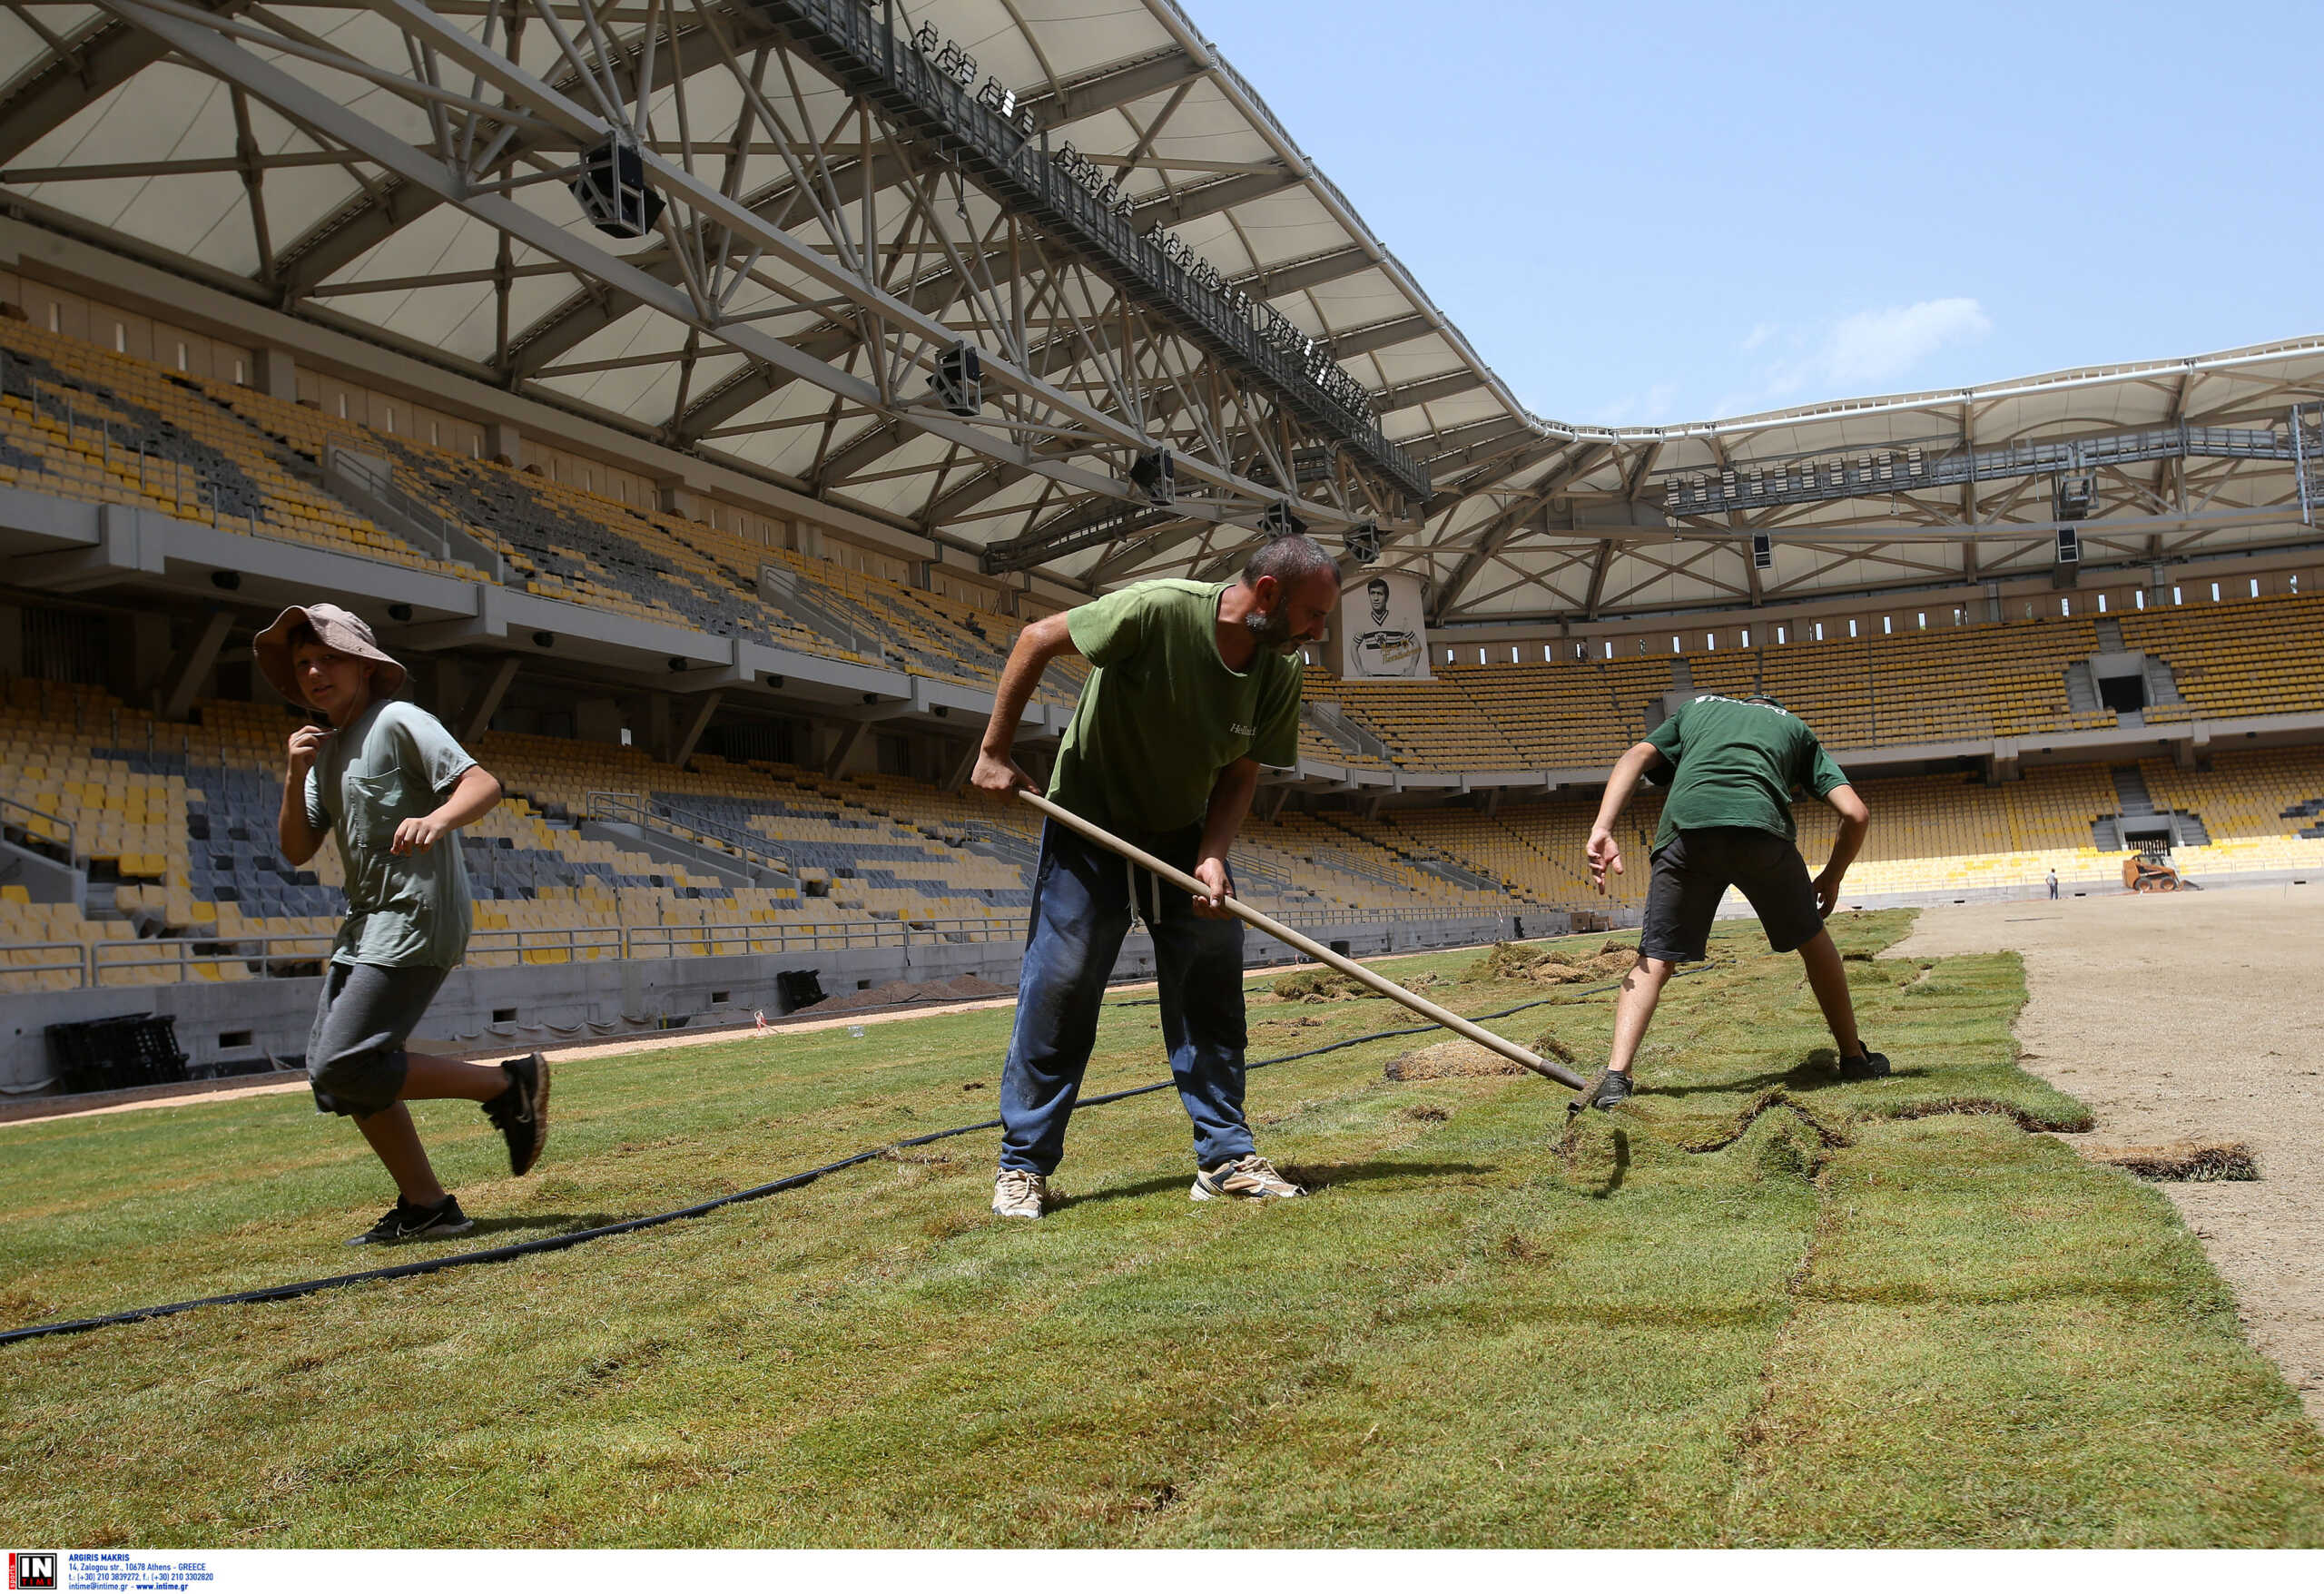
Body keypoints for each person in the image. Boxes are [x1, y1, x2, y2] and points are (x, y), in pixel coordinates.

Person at [971, 536, 1342, 1217]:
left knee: (1211, 995)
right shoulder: (1157, 609)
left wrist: (1212, 855)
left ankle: (1225, 1158)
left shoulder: (1280, 672)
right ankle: (1022, 1167)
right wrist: (995, 750)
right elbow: (1037, 638)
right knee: (1061, 991)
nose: (1318, 633)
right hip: (1089, 828)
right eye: (1314, 615)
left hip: (1182, 841)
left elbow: (1241, 773)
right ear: (1268, 595)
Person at [258, 602, 550, 1245]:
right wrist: (293, 773)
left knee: (344, 1063)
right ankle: (427, 1207)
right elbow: (297, 849)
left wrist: (438, 819)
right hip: (363, 925)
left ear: (361, 664)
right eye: (304, 662)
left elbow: (483, 784)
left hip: (416, 915)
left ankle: (506, 1085)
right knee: (332, 1073)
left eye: (328, 657)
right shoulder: (326, 752)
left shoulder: (399, 720)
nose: (313, 671)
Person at [1581, 693, 1888, 1107]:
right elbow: (1856, 814)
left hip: (1688, 831)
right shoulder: (1793, 726)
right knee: (1815, 945)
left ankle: (1617, 1078)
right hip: (1762, 832)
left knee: (1655, 958)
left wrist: (1603, 826)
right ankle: (1854, 1057)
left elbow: (1635, 756)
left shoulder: (1697, 709)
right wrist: (1831, 877)